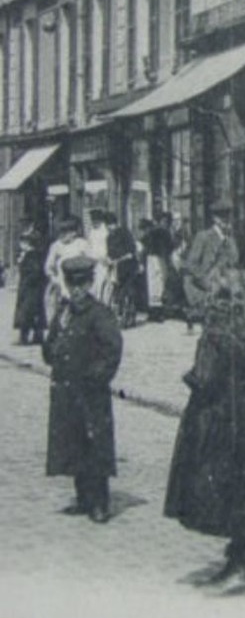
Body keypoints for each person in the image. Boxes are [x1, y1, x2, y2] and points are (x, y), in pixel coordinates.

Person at [164, 280, 245, 591]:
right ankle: (239, 556)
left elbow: (205, 379)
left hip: (217, 414)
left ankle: (239, 566)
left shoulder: (213, 336)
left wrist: (189, 377)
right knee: (244, 486)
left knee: (222, 487)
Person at [42, 256, 123, 523]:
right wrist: (53, 349)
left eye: (81, 285)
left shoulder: (99, 314)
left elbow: (112, 352)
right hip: (67, 390)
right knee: (73, 442)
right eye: (71, 285)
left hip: (90, 392)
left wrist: (95, 378)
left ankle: (100, 501)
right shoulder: (64, 313)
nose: (76, 291)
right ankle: (83, 497)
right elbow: (50, 346)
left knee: (94, 444)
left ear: (89, 283)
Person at [181, 202, 240, 329]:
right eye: (222, 218)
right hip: (206, 288)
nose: (226, 222)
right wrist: (206, 282)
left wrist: (229, 241)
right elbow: (191, 264)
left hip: (227, 287)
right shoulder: (203, 237)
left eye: (228, 218)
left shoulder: (230, 239)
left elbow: (235, 259)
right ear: (215, 219)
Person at [43, 216, 91, 321]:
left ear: (74, 233)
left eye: (66, 232)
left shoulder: (81, 244)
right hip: (61, 277)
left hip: (79, 277)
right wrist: (52, 277)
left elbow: (90, 260)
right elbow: (48, 265)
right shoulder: (56, 246)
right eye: (61, 232)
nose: (62, 235)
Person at [13, 229, 46, 345]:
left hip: (31, 289)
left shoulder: (32, 255)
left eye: (23, 242)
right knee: (32, 312)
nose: (21, 245)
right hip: (29, 288)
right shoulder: (29, 255)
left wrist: (27, 281)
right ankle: (36, 336)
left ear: (28, 243)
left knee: (27, 313)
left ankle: (26, 337)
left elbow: (35, 272)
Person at [144, 211, 174, 321]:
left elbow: (145, 244)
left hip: (150, 259)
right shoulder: (165, 232)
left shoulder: (151, 232)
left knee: (153, 286)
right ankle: (159, 312)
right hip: (160, 259)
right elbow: (170, 247)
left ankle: (153, 311)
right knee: (160, 284)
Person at [86, 208, 110, 303]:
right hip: (92, 261)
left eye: (95, 220)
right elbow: (89, 245)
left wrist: (104, 257)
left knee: (100, 282)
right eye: (92, 220)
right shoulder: (91, 231)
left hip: (102, 261)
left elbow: (107, 246)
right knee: (91, 284)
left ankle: (100, 302)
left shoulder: (105, 231)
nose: (93, 222)